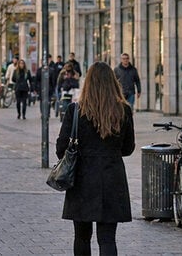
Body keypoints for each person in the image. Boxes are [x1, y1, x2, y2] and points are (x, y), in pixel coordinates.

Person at [56, 61, 135, 256]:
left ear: (88, 82)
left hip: (82, 179)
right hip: (111, 177)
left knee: (82, 236)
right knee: (107, 238)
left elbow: (61, 148)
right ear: (112, 82)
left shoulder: (76, 111)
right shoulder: (123, 110)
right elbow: (128, 147)